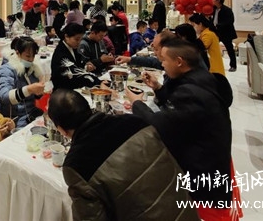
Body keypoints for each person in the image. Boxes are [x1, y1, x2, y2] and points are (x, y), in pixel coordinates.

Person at [48, 89, 198, 221]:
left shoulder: (77, 164)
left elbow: (90, 217)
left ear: (61, 130)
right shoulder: (135, 122)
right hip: (187, 212)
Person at [126, 39, 232, 209]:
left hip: (200, 177)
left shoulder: (192, 93)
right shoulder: (201, 78)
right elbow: (180, 111)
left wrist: (136, 103)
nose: (162, 64)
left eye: (164, 60)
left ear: (179, 62)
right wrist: (158, 88)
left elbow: (158, 127)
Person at [0, 36, 45, 127]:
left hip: (32, 112)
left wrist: (39, 91)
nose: (31, 59)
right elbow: (4, 97)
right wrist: (29, 89)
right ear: (17, 53)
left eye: (33, 56)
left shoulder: (33, 67)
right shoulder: (7, 70)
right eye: (28, 56)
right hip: (16, 117)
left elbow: (35, 95)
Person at [51, 23, 100, 90]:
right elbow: (75, 73)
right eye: (77, 39)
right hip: (63, 90)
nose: (79, 42)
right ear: (66, 36)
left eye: (80, 39)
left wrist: (85, 66)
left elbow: (77, 64)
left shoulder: (72, 47)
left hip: (74, 85)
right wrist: (98, 82)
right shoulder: (61, 53)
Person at [212, 0, 238, 72]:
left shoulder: (227, 10)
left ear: (218, 1)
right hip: (216, 32)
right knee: (213, 48)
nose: (212, 0)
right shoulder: (213, 9)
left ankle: (233, 66)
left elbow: (230, 21)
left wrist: (218, 25)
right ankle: (214, 64)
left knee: (230, 49)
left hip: (226, 33)